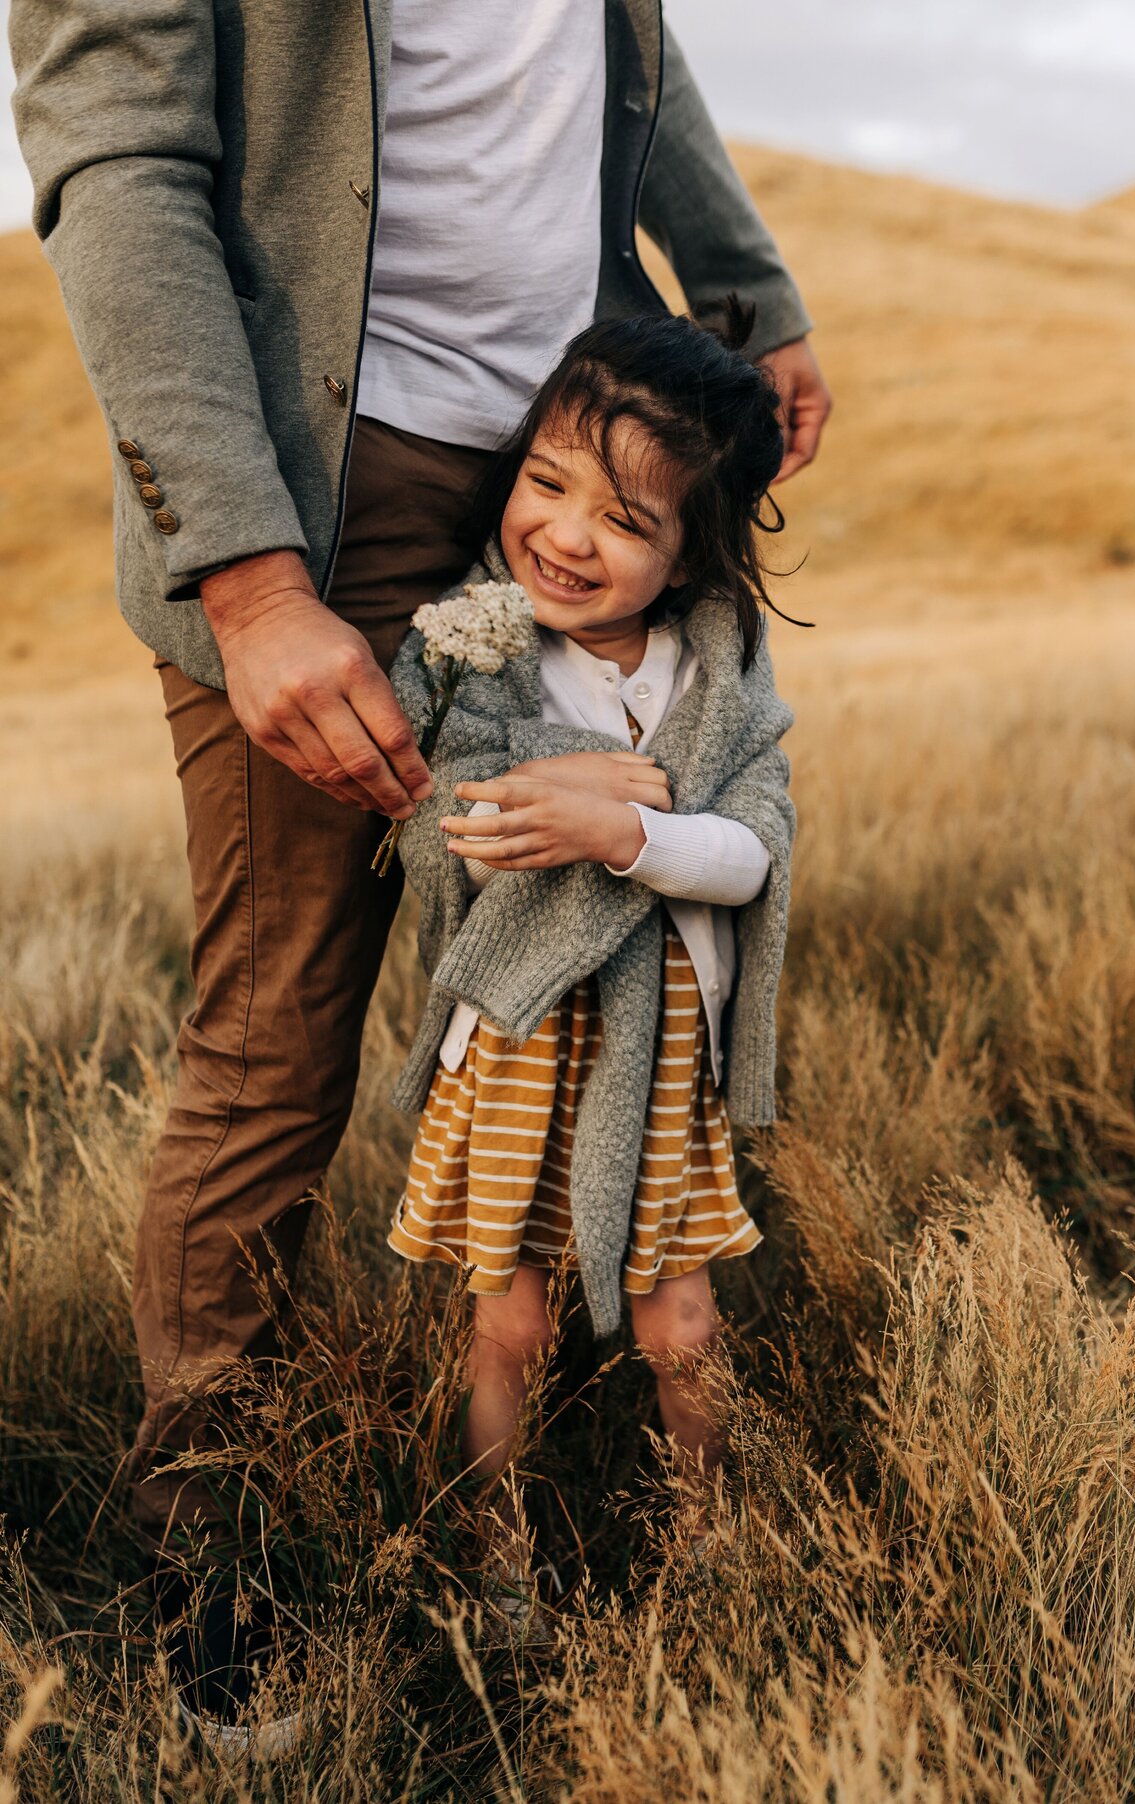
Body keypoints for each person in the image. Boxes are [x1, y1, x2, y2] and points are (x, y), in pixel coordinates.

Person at [10, 0, 827, 1731]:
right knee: (276, 1034)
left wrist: (750, 300)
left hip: (585, 440)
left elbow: (619, 52)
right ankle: (207, 1570)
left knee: (607, 940)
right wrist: (246, 574)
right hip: (331, 470)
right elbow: (115, 145)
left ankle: (587, 1489)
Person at [386, 306, 796, 1636]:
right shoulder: (475, 643)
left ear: (690, 554)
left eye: (625, 521)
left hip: (661, 1053)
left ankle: (708, 1554)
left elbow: (754, 854)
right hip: (516, 1046)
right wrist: (538, 790)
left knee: (683, 1329)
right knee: (508, 1327)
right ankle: (502, 1571)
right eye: (546, 485)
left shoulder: (717, 672)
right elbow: (433, 821)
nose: (566, 536)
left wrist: (625, 831)